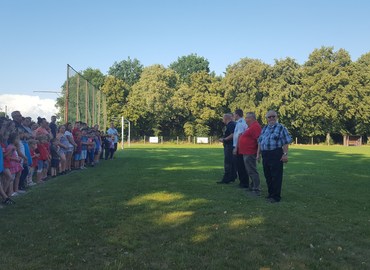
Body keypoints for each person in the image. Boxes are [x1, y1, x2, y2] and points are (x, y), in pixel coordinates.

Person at [257, 110, 292, 203]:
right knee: (267, 175)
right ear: (266, 119)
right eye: (269, 117)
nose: (271, 118)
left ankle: (276, 197)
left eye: (273, 116)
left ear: (276, 117)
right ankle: (270, 194)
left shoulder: (281, 128)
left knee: (276, 176)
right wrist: (258, 154)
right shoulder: (264, 128)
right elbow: (260, 142)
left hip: (276, 153)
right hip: (265, 154)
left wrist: (285, 154)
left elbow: (285, 142)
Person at [238, 112, 262, 196]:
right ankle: (252, 186)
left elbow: (259, 140)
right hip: (246, 152)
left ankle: (256, 189)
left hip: (250, 152)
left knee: (252, 170)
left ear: (252, 118)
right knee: (249, 170)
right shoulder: (250, 127)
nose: (245, 119)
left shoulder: (255, 126)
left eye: (247, 118)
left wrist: (258, 153)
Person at [232, 109, 249, 188]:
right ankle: (242, 182)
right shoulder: (240, 122)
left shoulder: (241, 123)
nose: (233, 116)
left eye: (234, 114)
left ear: (237, 115)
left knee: (241, 165)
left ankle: (244, 183)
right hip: (239, 146)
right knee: (240, 165)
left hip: (239, 147)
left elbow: (240, 135)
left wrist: (236, 147)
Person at [217, 113, 237, 184]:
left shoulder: (230, 124)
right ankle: (232, 177)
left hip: (229, 146)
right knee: (232, 162)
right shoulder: (233, 124)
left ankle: (226, 179)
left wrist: (224, 139)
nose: (222, 120)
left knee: (228, 162)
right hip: (230, 146)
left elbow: (233, 134)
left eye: (223, 118)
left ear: (226, 118)